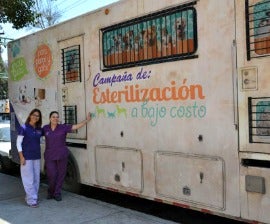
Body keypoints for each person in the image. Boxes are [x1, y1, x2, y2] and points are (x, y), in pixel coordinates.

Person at [43, 111, 91, 201]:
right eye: (53, 117)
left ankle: (57, 193)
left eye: (57, 117)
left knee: (61, 174)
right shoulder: (45, 128)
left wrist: (86, 120)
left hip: (62, 155)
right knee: (52, 175)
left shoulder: (63, 127)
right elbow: (36, 135)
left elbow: (75, 126)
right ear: (50, 118)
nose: (55, 118)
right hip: (50, 155)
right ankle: (50, 191)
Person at [17, 108, 43, 208]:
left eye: (37, 115)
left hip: (36, 156)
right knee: (29, 179)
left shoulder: (39, 129)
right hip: (26, 157)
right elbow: (18, 143)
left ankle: (32, 197)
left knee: (36, 179)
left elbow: (40, 141)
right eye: (34, 115)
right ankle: (31, 200)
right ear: (30, 115)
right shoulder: (24, 127)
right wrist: (21, 157)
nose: (35, 117)